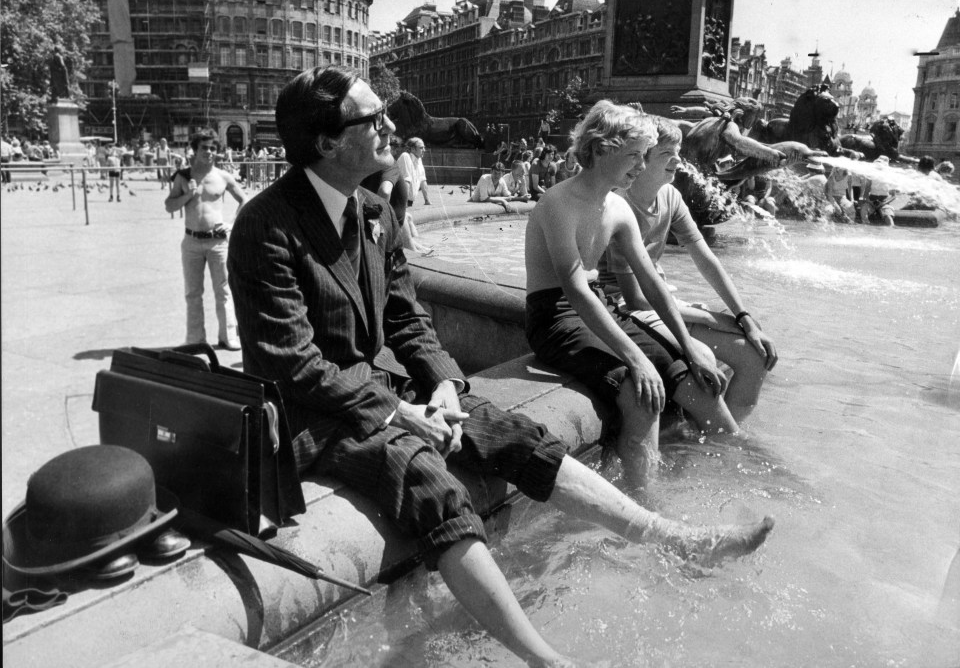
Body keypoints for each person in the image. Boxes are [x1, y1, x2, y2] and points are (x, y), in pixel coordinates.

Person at [228, 67, 773, 668]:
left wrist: (445, 386)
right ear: (328, 143)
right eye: (372, 119)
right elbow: (293, 363)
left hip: (374, 389)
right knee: (424, 475)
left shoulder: (372, 211)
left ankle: (672, 539)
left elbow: (408, 321)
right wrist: (400, 412)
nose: (390, 126)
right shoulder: (265, 226)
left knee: (514, 434)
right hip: (308, 414)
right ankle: (546, 661)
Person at [525, 101, 741, 485]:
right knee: (641, 392)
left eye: (645, 156)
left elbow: (652, 283)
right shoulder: (558, 203)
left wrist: (687, 346)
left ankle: (738, 462)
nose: (642, 166)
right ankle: (647, 506)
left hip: (600, 308)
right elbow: (575, 290)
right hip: (555, 317)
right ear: (602, 147)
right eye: (635, 156)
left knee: (694, 379)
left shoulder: (617, 208)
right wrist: (637, 358)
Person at [600, 115, 778, 430]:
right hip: (628, 309)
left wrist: (743, 317)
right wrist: (708, 317)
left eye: (679, 152)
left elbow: (706, 258)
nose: (679, 161)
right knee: (707, 360)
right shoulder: (618, 205)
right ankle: (720, 435)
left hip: (662, 302)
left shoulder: (671, 196)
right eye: (668, 154)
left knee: (754, 355)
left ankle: (712, 441)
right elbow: (636, 300)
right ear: (643, 158)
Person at [164, 128, 247, 350]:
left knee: (224, 290)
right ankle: (195, 339)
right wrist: (188, 195)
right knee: (193, 292)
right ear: (195, 149)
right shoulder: (184, 177)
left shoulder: (223, 176)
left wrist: (232, 225)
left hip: (218, 241)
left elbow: (244, 200)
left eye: (212, 148)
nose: (208, 152)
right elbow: (169, 205)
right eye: (204, 148)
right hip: (191, 241)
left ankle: (228, 336)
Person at [859, 155, 897, 226]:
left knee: (888, 218)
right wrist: (869, 201)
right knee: (863, 212)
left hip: (884, 201)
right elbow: (866, 193)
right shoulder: (871, 176)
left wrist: (883, 203)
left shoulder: (890, 178)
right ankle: (866, 229)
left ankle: (891, 231)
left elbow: (894, 196)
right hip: (871, 200)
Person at [397, 137, 431, 206]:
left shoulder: (419, 160)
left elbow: (423, 180)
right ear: (412, 149)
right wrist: (404, 203)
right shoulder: (405, 156)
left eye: (424, 147)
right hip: (400, 201)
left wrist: (427, 200)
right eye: (421, 148)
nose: (424, 150)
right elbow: (406, 180)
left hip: (409, 202)